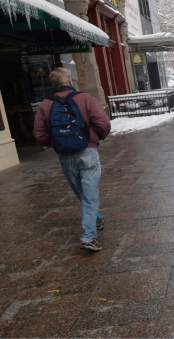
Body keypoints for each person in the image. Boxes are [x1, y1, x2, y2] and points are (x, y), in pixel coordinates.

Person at [33, 68, 110, 252]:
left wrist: (56, 142)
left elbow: (39, 134)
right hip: (88, 152)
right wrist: (95, 138)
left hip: (65, 155)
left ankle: (96, 219)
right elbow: (103, 124)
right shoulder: (85, 98)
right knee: (90, 194)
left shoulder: (45, 105)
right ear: (69, 80)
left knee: (83, 194)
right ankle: (89, 236)